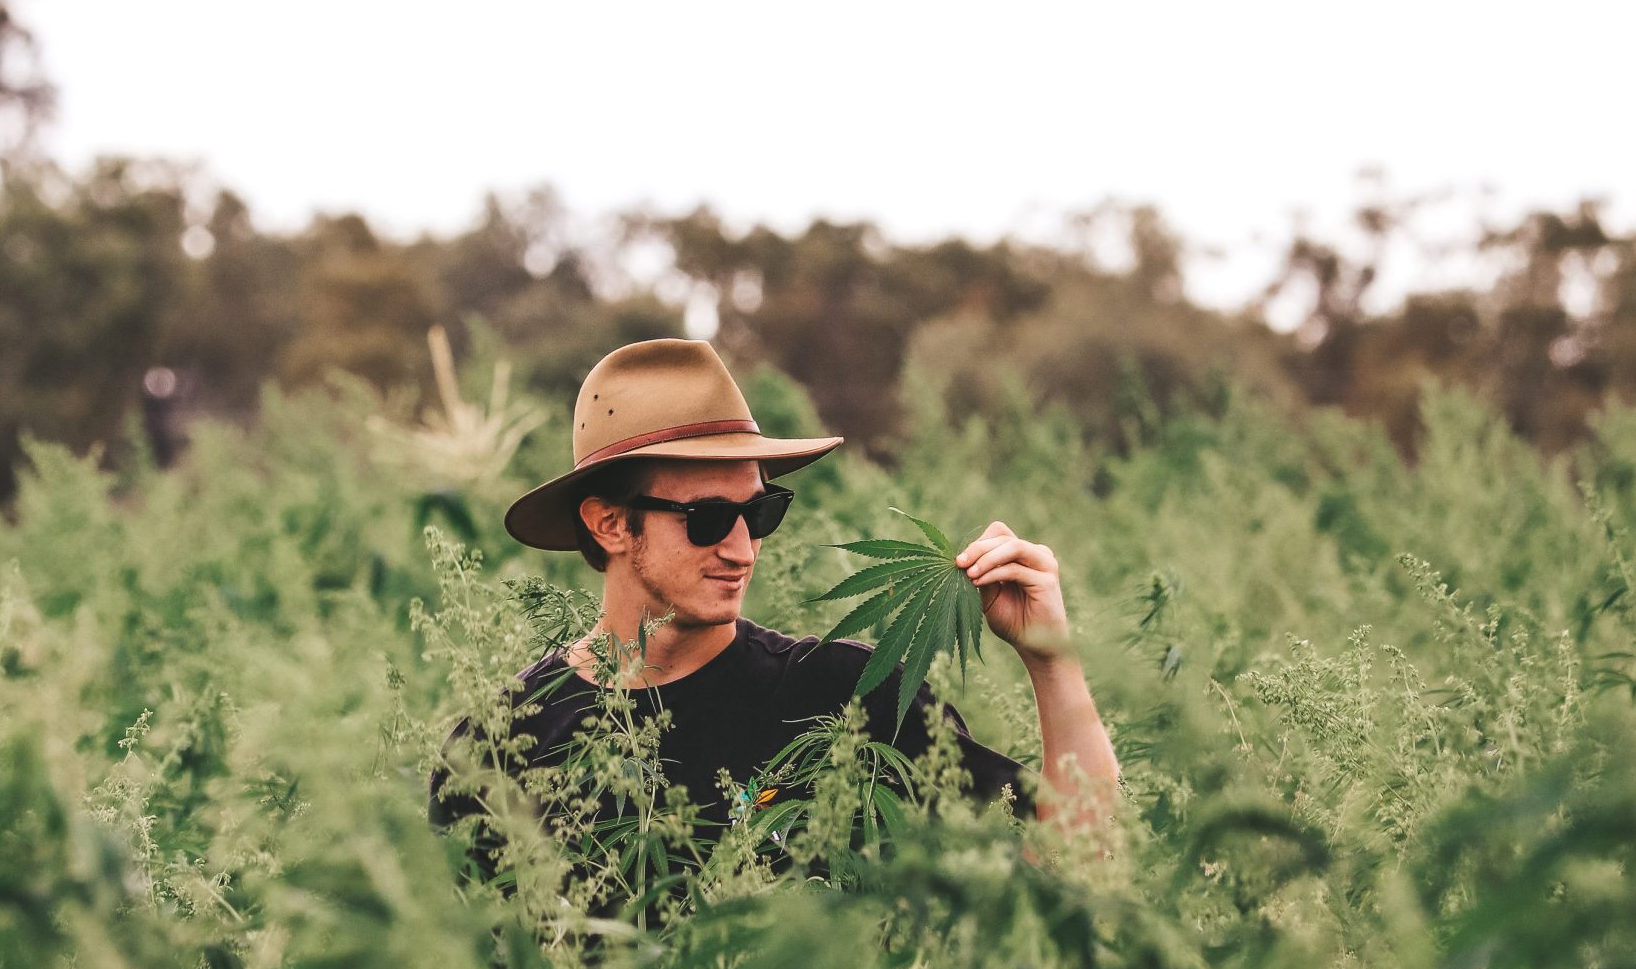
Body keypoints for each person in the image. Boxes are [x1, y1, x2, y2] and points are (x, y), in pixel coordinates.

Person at [427, 338, 1120, 850]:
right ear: (610, 523)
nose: (741, 547)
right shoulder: (503, 744)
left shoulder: (847, 697)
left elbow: (1072, 856)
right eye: (706, 518)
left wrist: (1051, 659)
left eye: (760, 512)